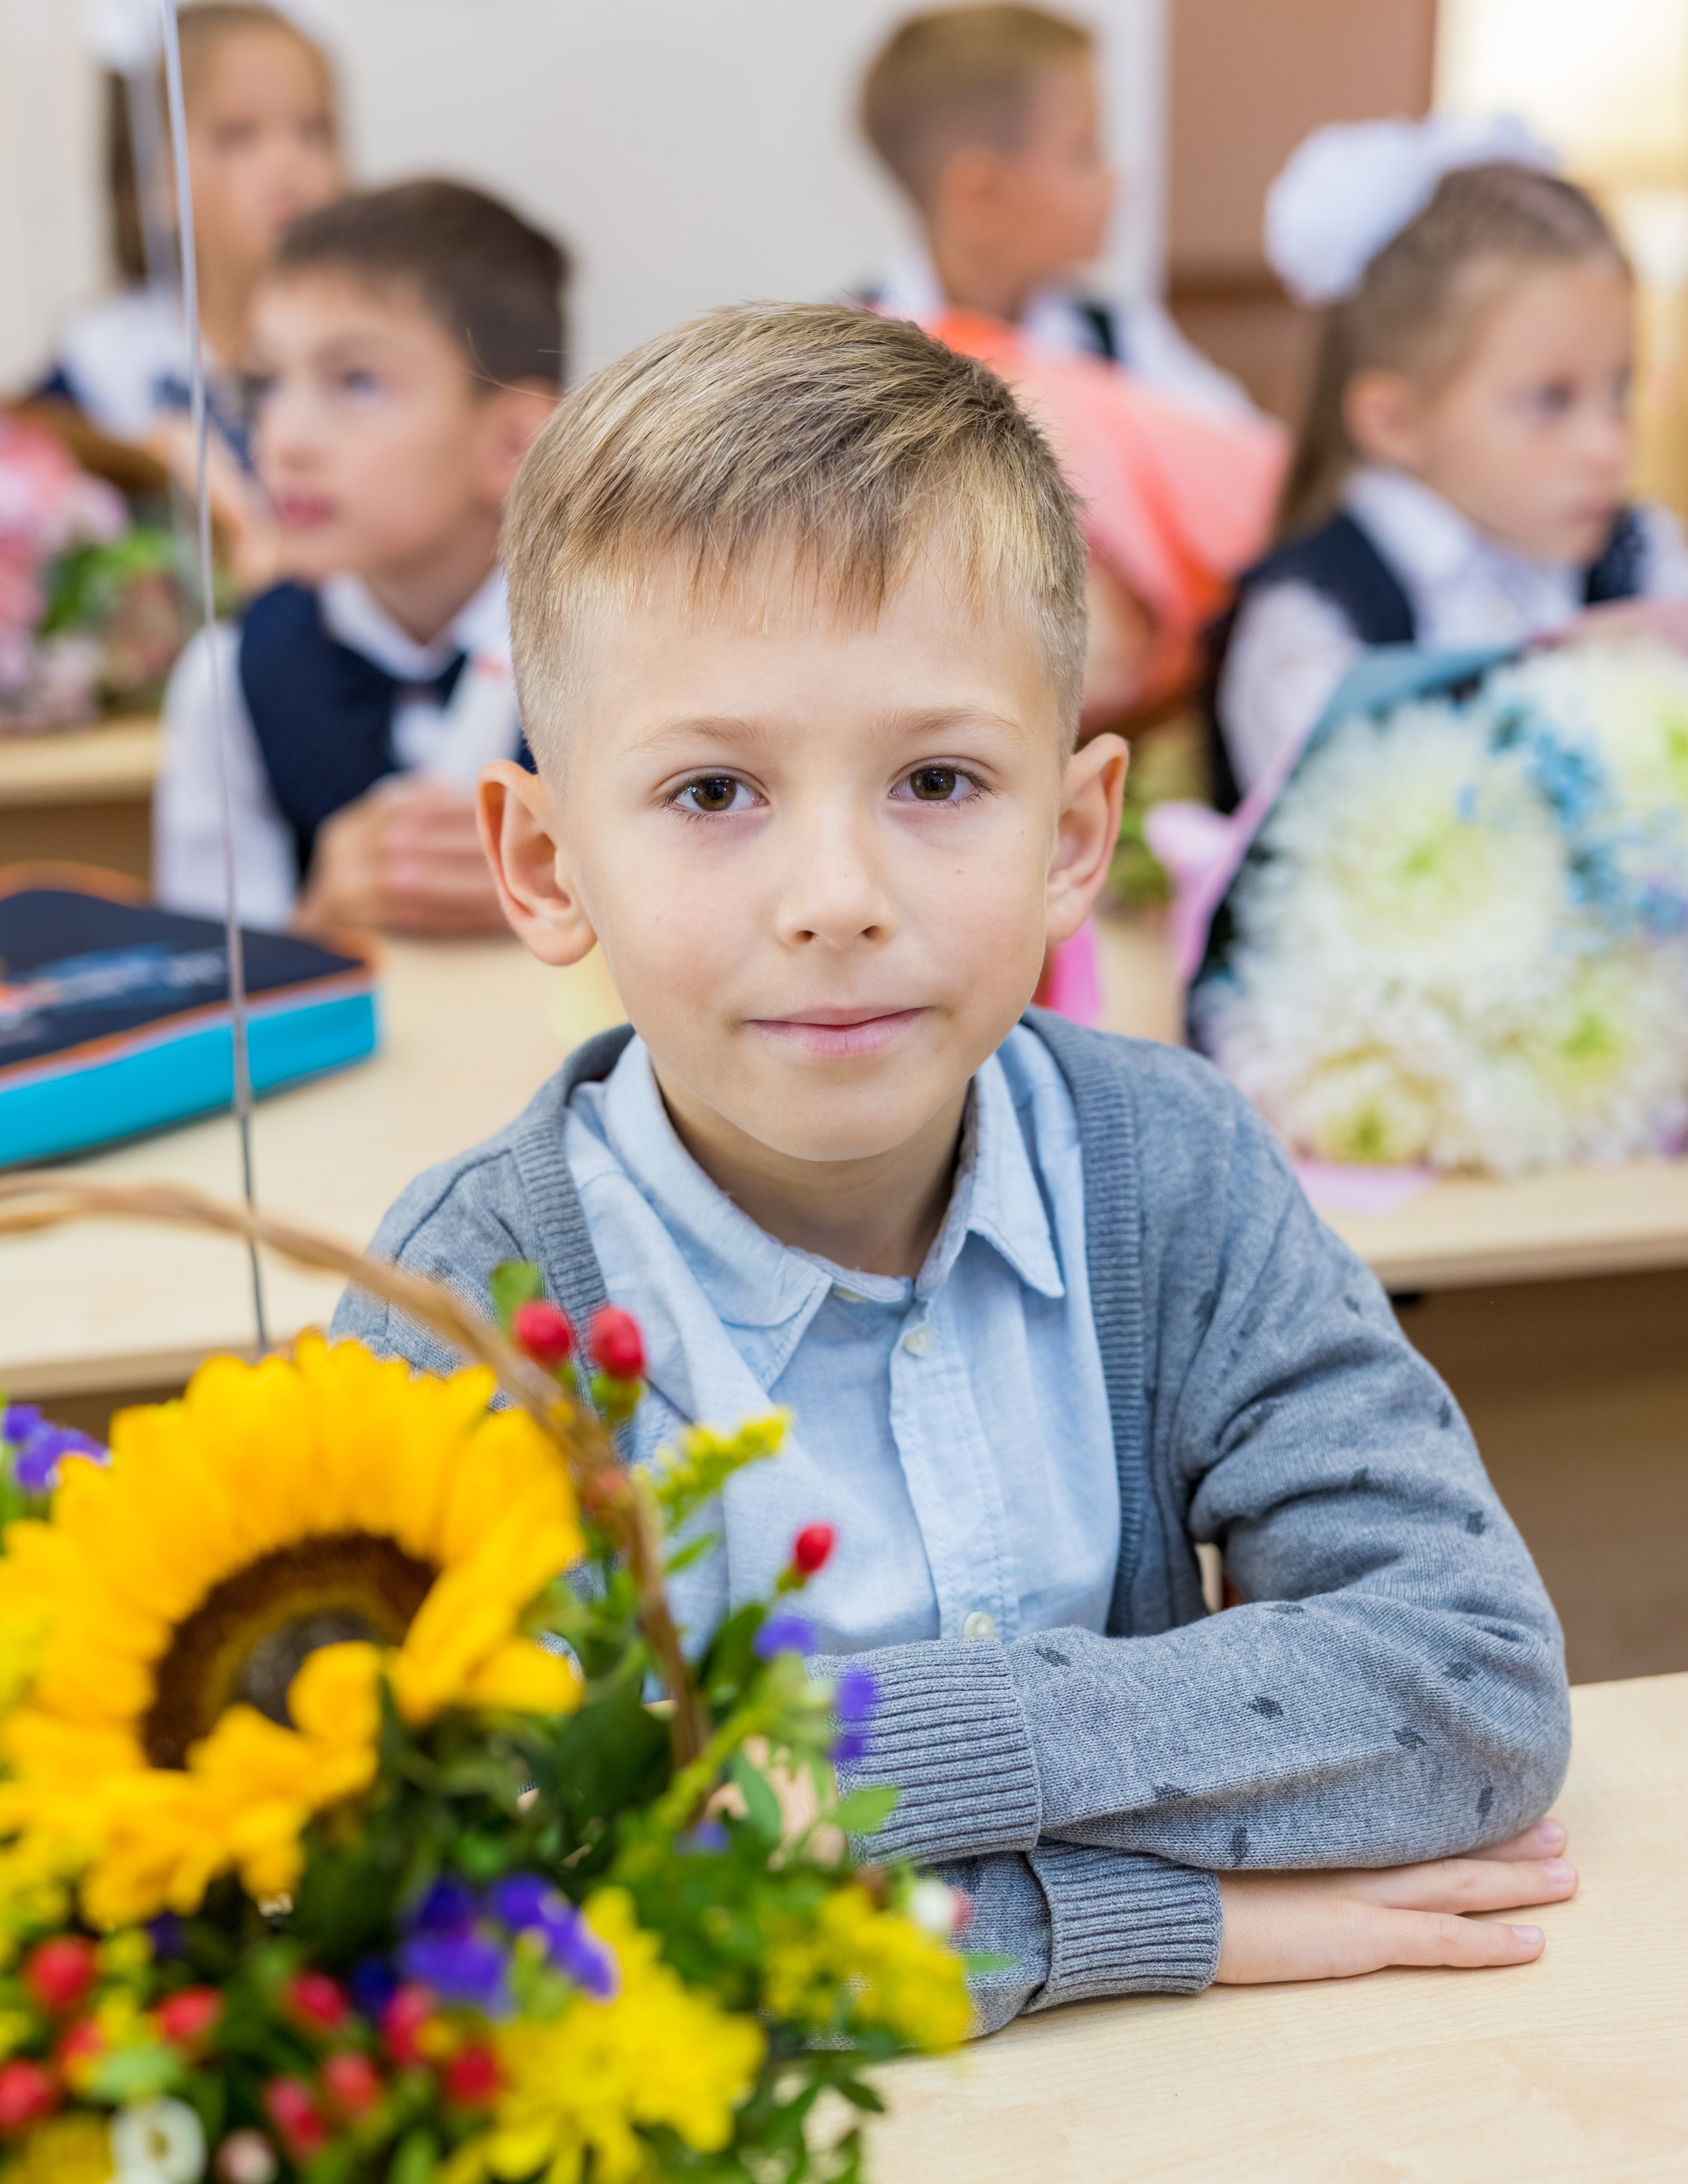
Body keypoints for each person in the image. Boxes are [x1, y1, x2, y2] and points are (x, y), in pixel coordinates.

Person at [332, 304, 1578, 2034]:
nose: (835, 891)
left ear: (1071, 836)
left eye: (935, 778)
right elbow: (478, 1918)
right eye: (711, 791)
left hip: (1183, 2167)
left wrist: (873, 1761)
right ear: (544, 864)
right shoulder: (471, 1302)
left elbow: (1469, 1684)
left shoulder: (1168, 1163)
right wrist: (1149, 1916)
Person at [1212, 117, 1688, 803]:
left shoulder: (1635, 558)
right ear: (1394, 420)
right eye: (1551, 400)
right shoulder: (1310, 622)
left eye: (1620, 391)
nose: (1608, 445)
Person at [153, 179, 566, 937]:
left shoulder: (624, 653)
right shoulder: (228, 680)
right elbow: (209, 987)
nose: (286, 439)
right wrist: (322, 919)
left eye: (356, 382)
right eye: (268, 384)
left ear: (511, 443)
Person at [46, 2, 342, 574]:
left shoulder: (368, 341)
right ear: (157, 177)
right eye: (238, 138)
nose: (287, 164)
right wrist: (146, 455)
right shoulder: (107, 355)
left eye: (314, 131)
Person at [857, 4, 1254, 422]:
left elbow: (1247, 453)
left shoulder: (1119, 340)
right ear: (981, 198)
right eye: (1084, 151)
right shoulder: (844, 364)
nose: (1116, 180)